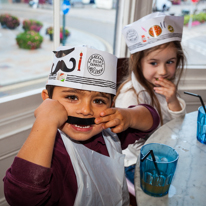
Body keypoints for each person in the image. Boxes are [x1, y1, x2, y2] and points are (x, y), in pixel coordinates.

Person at [3, 45, 160, 206]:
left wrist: (129, 115)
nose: (86, 111)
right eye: (72, 97)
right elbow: (21, 198)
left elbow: (152, 120)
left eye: (98, 101)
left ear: (111, 106)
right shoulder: (52, 153)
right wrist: (45, 122)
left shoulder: (109, 133)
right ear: (47, 99)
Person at [114, 12, 187, 184]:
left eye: (170, 62)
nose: (163, 71)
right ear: (137, 61)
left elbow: (179, 125)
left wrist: (173, 101)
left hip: (162, 151)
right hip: (135, 163)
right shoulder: (129, 96)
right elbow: (131, 145)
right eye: (154, 63)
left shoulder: (164, 86)